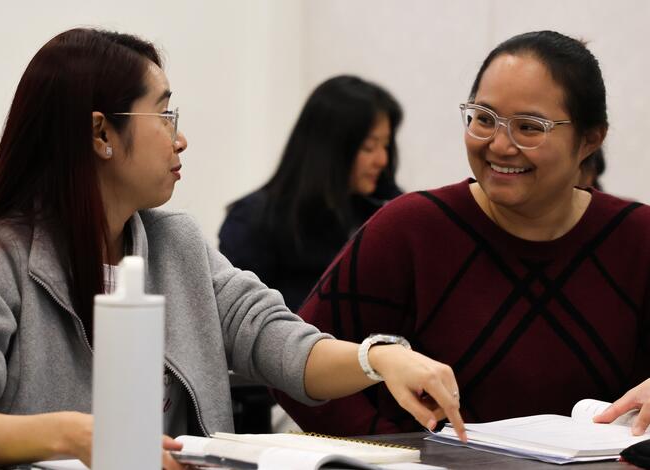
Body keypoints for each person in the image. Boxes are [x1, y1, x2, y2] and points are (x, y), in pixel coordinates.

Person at [0, 28, 466, 469]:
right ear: (101, 135)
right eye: (165, 113)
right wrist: (74, 435)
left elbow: (279, 342)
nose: (180, 136)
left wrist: (379, 358)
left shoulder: (176, 243)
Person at [276, 30, 650, 436]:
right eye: (484, 119)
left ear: (590, 140)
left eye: (529, 127)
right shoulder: (409, 230)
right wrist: (401, 451)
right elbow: (293, 366)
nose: (500, 146)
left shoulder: (638, 238)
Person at [219, 75, 403, 312]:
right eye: (369, 147)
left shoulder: (381, 211)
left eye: (386, 146)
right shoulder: (253, 220)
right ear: (329, 149)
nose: (382, 160)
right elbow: (239, 321)